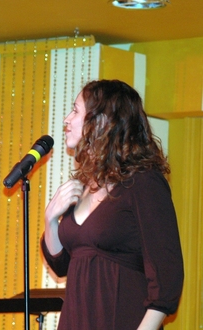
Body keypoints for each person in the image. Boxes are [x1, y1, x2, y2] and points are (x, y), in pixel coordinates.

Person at [42, 79, 184, 330]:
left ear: (102, 121)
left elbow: (167, 277)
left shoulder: (144, 182)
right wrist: (50, 219)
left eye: (75, 110)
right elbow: (62, 265)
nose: (67, 119)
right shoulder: (85, 184)